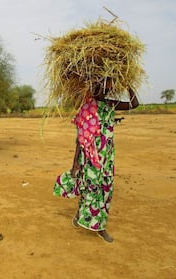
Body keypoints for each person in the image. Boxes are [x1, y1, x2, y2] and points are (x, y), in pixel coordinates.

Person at [53, 79, 139, 243]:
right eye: (101, 87)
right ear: (93, 88)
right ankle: (84, 217)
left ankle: (99, 225)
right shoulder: (86, 107)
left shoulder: (111, 104)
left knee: (106, 191)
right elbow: (79, 138)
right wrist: (75, 163)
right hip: (89, 158)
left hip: (107, 157)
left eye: (107, 88)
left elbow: (134, 104)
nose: (104, 90)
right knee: (89, 187)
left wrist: (128, 84)